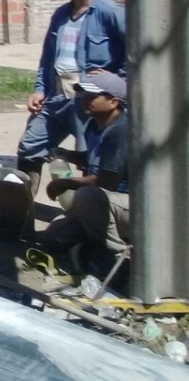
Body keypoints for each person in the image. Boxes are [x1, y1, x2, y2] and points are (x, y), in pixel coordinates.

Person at [17, 0, 125, 197]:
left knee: (88, 158)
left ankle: (84, 217)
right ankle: (20, 215)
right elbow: (47, 58)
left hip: (89, 100)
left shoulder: (110, 13)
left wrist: (115, 80)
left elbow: (135, 51)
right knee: (29, 146)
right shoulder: (61, 14)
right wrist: (39, 89)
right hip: (56, 96)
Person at [39, 72, 130, 262]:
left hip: (131, 204)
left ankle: (119, 256)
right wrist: (66, 155)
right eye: (84, 95)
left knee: (87, 196)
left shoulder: (121, 130)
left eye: (92, 96)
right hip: (107, 204)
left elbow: (106, 181)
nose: (85, 100)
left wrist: (66, 183)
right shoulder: (94, 125)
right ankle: (91, 246)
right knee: (55, 236)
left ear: (113, 102)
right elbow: (93, 160)